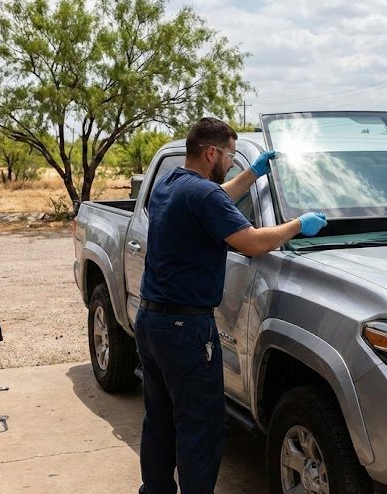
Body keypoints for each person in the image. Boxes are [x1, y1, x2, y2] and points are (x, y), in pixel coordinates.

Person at [135, 117, 327, 494]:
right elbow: (252, 242)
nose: (233, 160)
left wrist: (252, 175)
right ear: (211, 153)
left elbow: (214, 196)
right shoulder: (204, 197)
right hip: (186, 332)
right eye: (230, 155)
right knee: (200, 427)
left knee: (160, 420)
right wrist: (296, 225)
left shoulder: (170, 184)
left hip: (151, 323)